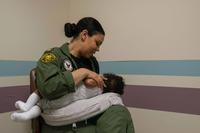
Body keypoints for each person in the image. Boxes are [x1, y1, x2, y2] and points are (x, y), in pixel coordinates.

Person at [32, 17, 134, 133]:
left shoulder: (92, 62)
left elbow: (92, 95)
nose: (98, 49)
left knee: (120, 112)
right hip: (61, 123)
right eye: (97, 43)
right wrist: (82, 72)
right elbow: (48, 88)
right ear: (84, 35)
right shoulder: (54, 56)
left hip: (86, 117)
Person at [11, 73, 125, 122]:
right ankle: (26, 116)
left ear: (104, 80)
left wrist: (93, 76)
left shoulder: (96, 83)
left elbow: (87, 82)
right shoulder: (100, 94)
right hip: (66, 101)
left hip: (64, 93)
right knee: (40, 107)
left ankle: (26, 107)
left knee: (40, 92)